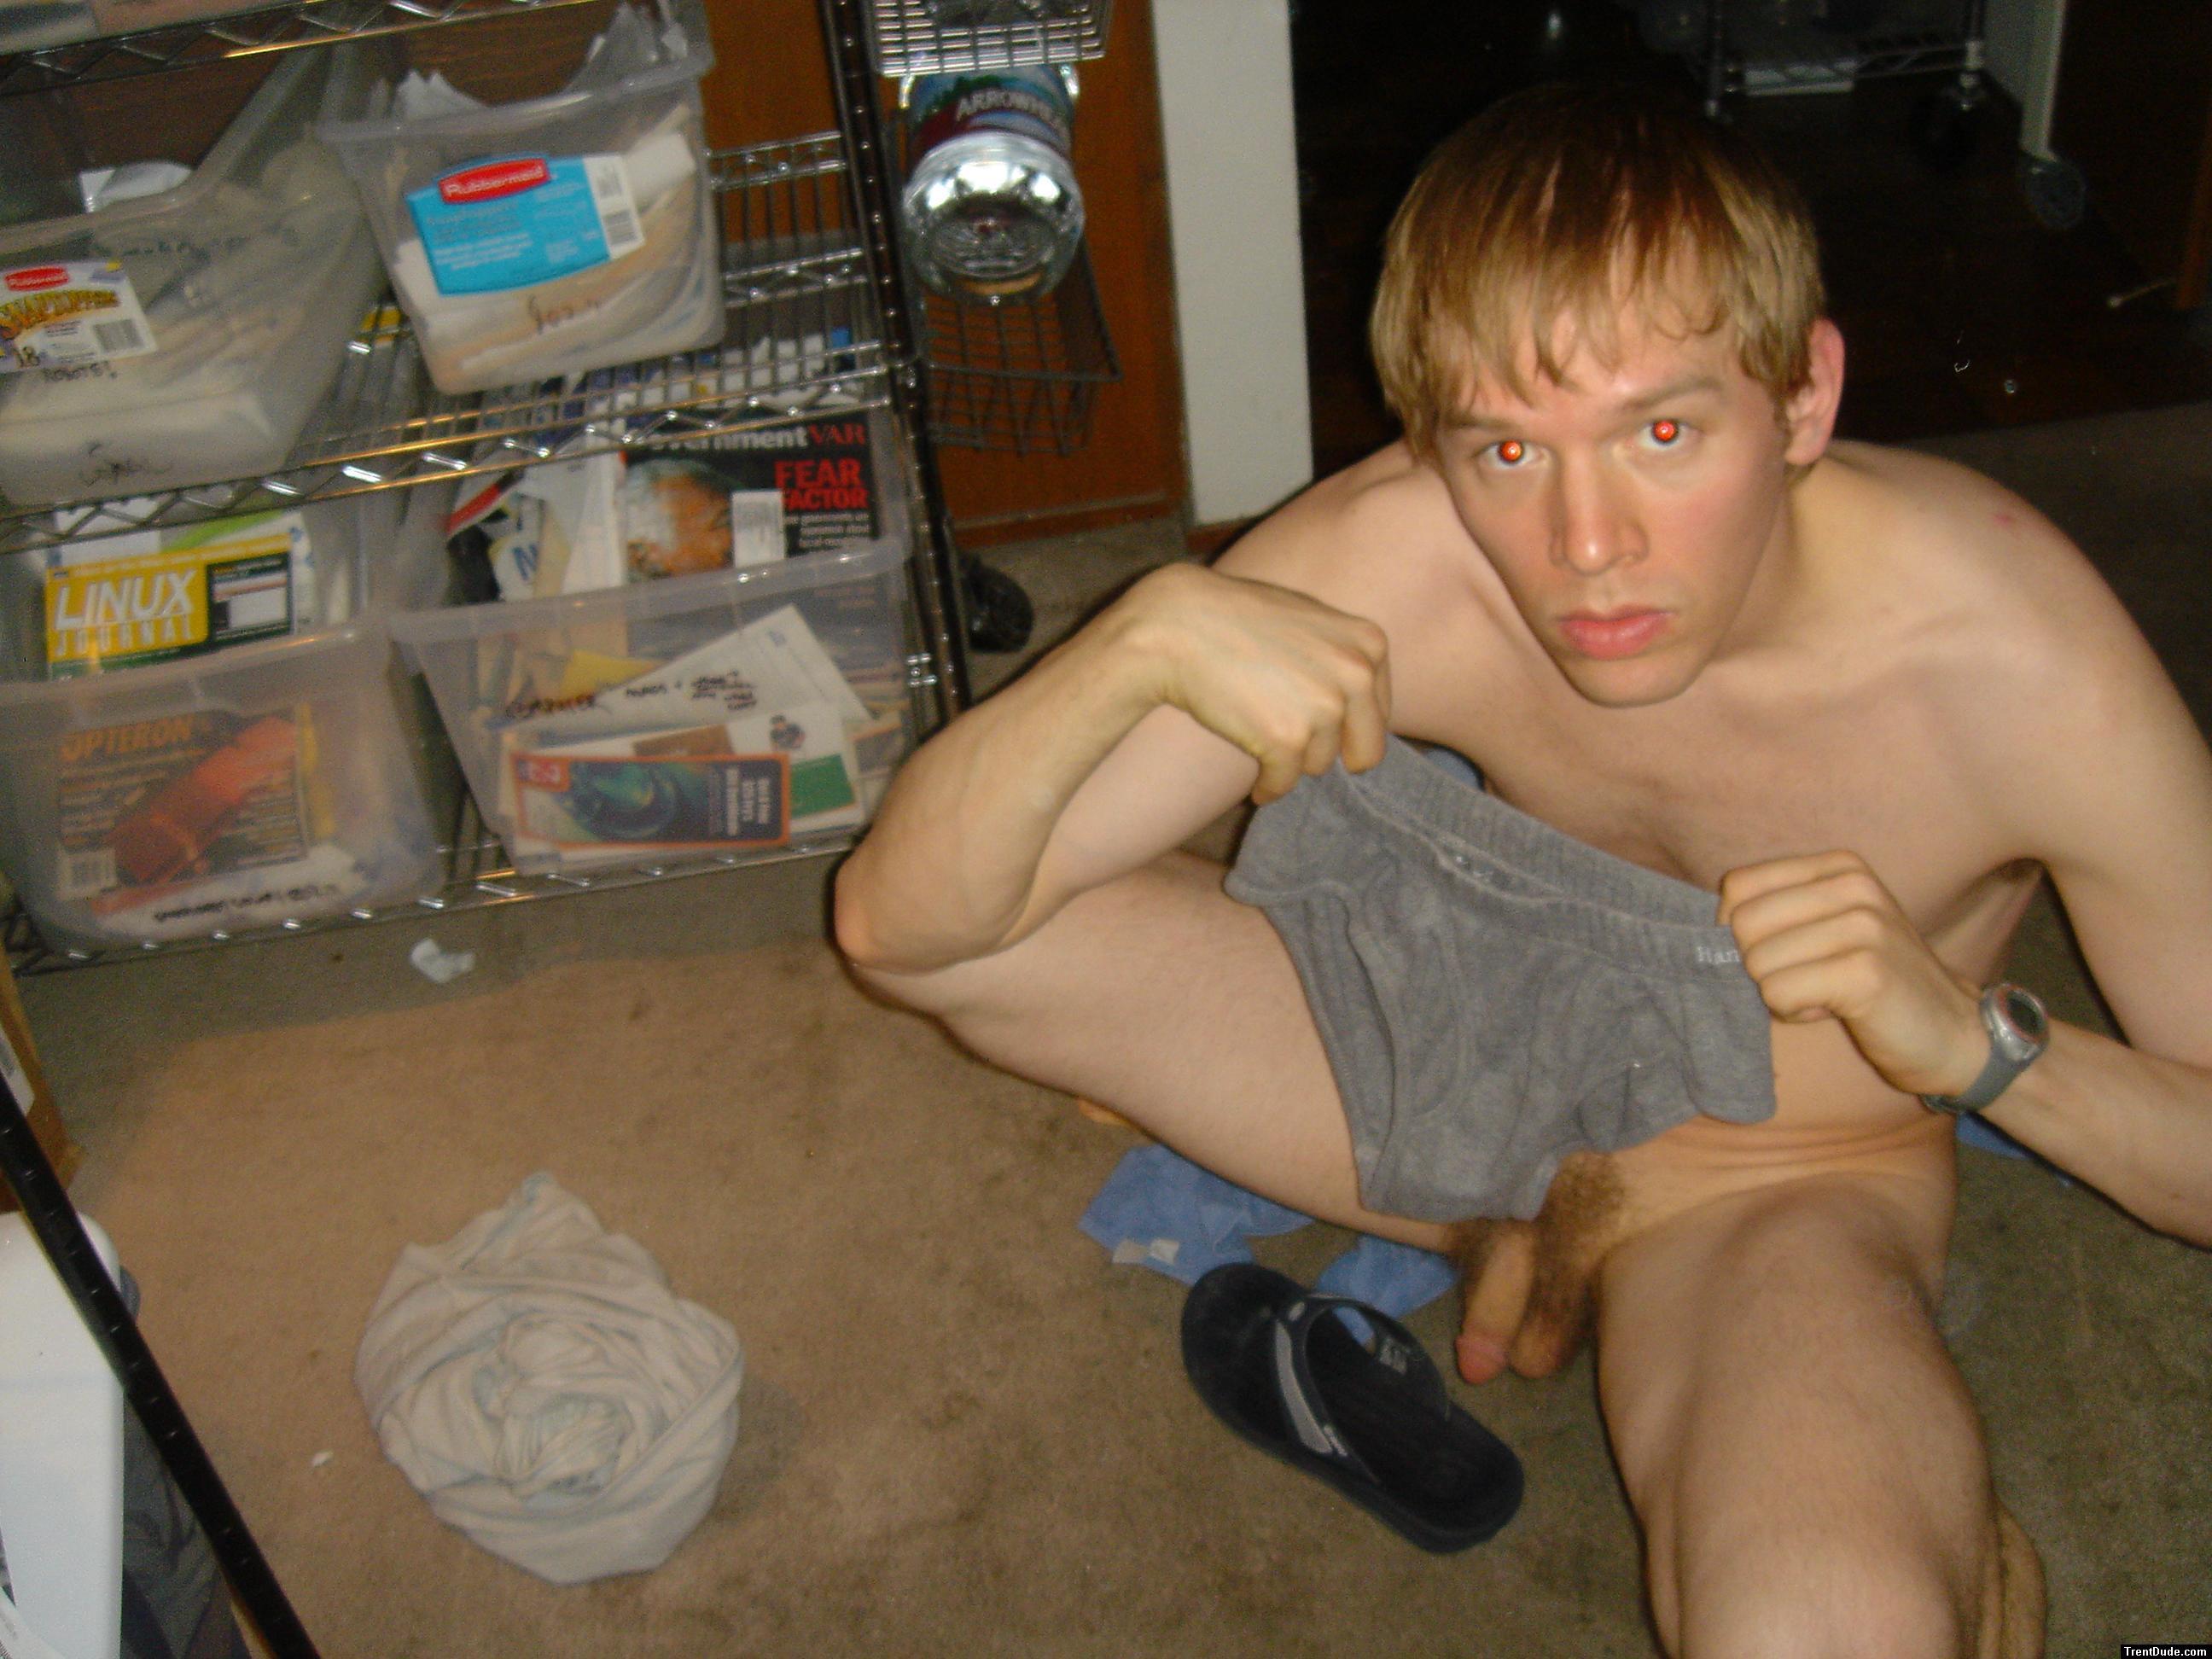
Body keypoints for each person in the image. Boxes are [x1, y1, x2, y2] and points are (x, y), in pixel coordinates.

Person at [833, 80, 2212, 1657]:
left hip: (1776, 1178)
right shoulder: (1395, 554)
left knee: (1829, 1625)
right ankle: (1493, 1228)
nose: (1587, 546)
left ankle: (1930, 1539)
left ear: (1805, 398)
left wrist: (1983, 1051)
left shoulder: (2016, 661)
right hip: (1449, 1035)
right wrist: (1133, 641)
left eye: (1664, 432)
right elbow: (896, 925)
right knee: (978, 928)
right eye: (1504, 448)